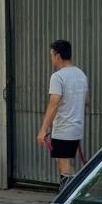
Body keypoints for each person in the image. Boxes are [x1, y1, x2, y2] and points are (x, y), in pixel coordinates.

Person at [36, 40, 89, 190]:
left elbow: (54, 103)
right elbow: (87, 101)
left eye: (51, 55)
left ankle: (66, 197)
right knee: (67, 163)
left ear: (58, 56)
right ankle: (72, 193)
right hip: (76, 129)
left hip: (63, 129)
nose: (51, 58)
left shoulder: (58, 76)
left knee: (64, 167)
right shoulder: (81, 74)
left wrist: (43, 130)